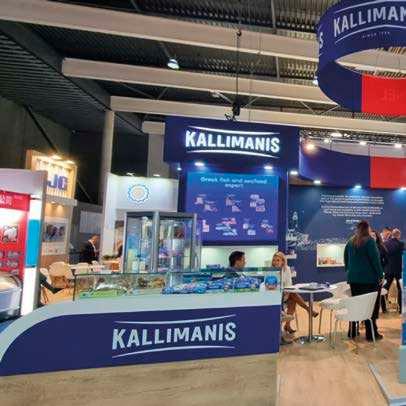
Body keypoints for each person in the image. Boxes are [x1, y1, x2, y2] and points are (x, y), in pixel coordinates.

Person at [344, 221, 383, 341]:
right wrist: (380, 275)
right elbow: (375, 260)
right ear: (367, 228)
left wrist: (349, 272)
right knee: (370, 307)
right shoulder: (370, 241)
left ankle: (352, 331)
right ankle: (371, 334)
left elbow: (346, 258)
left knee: (356, 305)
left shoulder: (350, 241)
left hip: (353, 280)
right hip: (369, 280)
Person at [272, 251, 318, 334]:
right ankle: (308, 309)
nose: (275, 262)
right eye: (274, 260)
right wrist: (284, 291)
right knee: (293, 296)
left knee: (292, 300)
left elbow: (289, 284)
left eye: (278, 260)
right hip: (276, 296)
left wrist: (286, 292)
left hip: (286, 294)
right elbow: (271, 286)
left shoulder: (287, 269)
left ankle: (287, 326)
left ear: (283, 261)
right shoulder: (270, 271)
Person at [384, 229, 405, 314]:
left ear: (392, 235)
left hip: (388, 269)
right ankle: (400, 308)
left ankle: (384, 307)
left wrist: (384, 265)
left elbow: (382, 256)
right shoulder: (401, 244)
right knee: (400, 289)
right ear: (399, 235)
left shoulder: (385, 244)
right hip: (399, 270)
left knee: (385, 288)